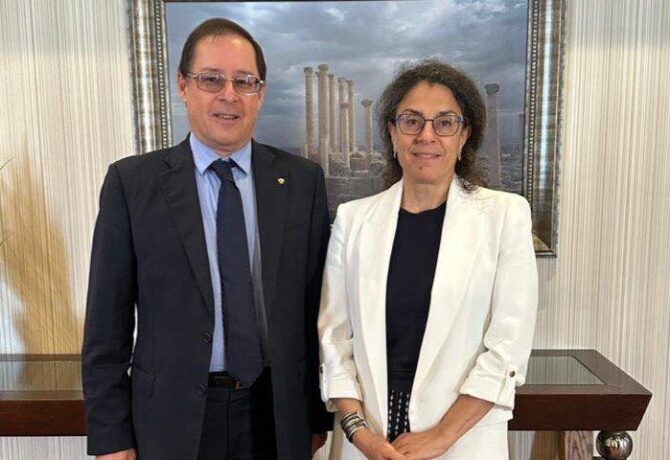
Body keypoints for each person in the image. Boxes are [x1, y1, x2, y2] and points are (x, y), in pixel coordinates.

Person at [82, 18, 331, 460]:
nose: (228, 95)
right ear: (183, 86)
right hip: (171, 422)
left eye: (244, 81)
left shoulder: (301, 182)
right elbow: (106, 324)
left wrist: (315, 416)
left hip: (276, 418)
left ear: (260, 93)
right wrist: (111, 437)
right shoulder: (132, 184)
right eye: (211, 79)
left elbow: (315, 310)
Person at [318, 60, 538, 460]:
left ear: (464, 135)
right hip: (367, 441)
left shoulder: (505, 216)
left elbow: (507, 347)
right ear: (392, 132)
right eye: (412, 121)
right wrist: (359, 433)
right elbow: (334, 340)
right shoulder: (353, 220)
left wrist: (440, 437)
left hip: (462, 442)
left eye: (445, 122)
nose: (427, 135)